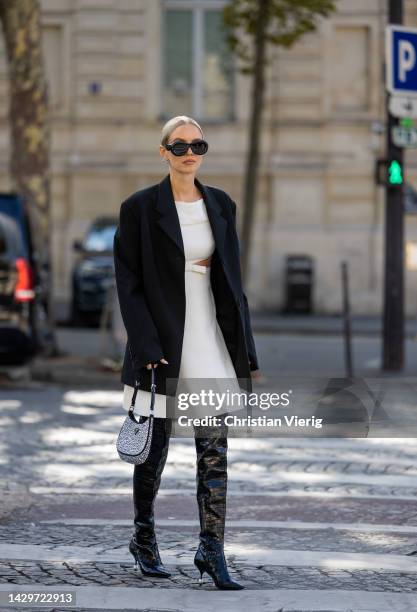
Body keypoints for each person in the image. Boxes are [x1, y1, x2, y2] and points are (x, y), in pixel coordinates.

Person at [113, 115, 259, 590]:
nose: (189, 152)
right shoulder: (139, 208)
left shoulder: (220, 204)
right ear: (164, 152)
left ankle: (211, 549)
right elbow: (129, 284)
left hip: (210, 337)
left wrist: (244, 347)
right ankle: (144, 537)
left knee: (214, 451)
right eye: (179, 146)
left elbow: (233, 283)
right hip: (162, 344)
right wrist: (146, 346)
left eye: (198, 144)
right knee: (153, 450)